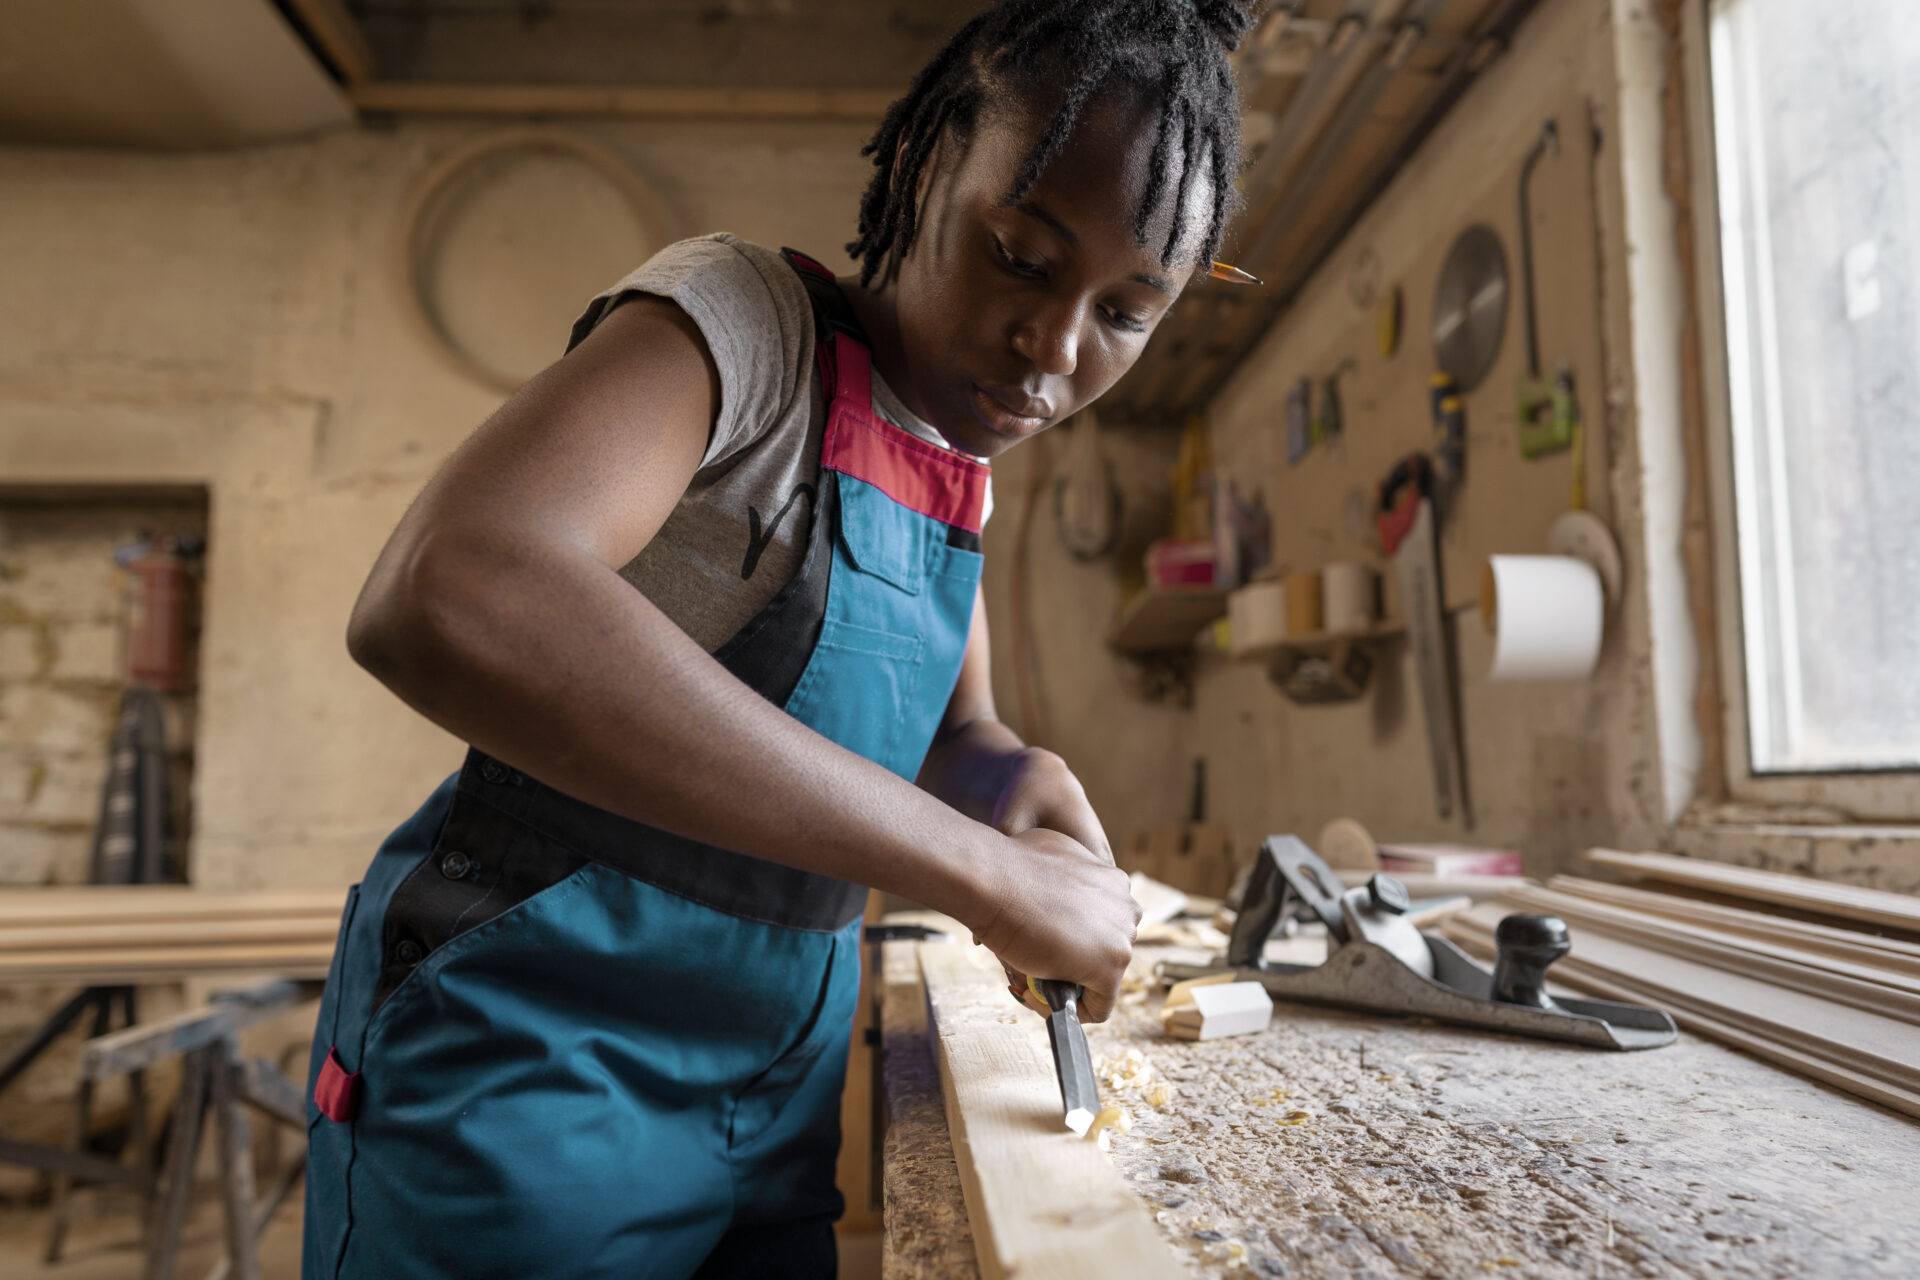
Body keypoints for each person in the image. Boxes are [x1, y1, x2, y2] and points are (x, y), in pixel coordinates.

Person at [302, 2, 1254, 1276]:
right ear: (926, 169)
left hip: (771, 1098)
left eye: (1129, 313)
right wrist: (981, 873)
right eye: (1022, 257)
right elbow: (445, 594)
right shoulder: (742, 329)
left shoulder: (960, 456)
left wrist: (1007, 783)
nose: (1056, 348)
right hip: (528, 1080)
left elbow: (945, 733)